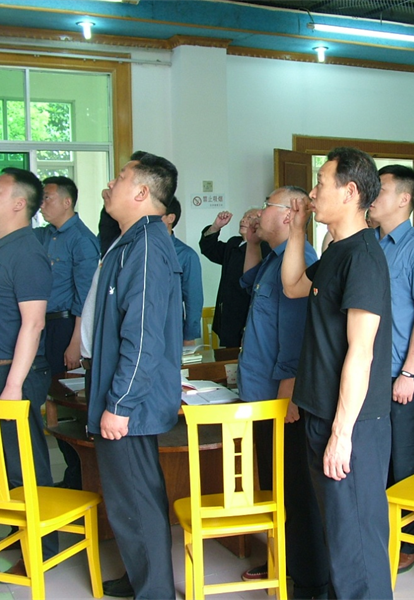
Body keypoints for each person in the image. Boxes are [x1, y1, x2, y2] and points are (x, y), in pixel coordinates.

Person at [282, 147, 393, 599]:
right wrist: (295, 232)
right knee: (338, 537)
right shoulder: (336, 252)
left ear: (349, 192)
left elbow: (361, 352)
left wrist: (342, 433)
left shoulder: (362, 257)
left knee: (357, 544)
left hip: (351, 423)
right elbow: (293, 286)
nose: (312, 193)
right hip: (321, 412)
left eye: (320, 183)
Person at [86, 151, 183, 599]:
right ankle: (143, 578)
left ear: (142, 192)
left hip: (131, 403)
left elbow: (142, 336)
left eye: (121, 177)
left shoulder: (145, 247)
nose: (112, 183)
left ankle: (154, 591)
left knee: (136, 500)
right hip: (125, 396)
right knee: (132, 498)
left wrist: (120, 404)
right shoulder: (131, 241)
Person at [237, 186, 329, 598]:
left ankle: (311, 580)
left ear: (290, 215)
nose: (259, 212)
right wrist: (252, 241)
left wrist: (288, 397)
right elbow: (246, 283)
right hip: (261, 395)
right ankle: (285, 561)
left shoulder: (299, 262)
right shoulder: (274, 259)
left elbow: (296, 336)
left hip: (282, 402)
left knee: (296, 490)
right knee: (278, 487)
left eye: (268, 206)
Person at [0, 165, 56, 575]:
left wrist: (14, 385)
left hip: (14, 374)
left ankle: (41, 549)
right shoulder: (0, 243)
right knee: (4, 461)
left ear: (20, 204)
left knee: (26, 462)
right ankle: (16, 533)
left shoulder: (28, 253)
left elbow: (34, 324)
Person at [368, 165, 414, 574]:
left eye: (381, 189)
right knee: (377, 458)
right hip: (370, 370)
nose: (373, 195)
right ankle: (384, 533)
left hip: (400, 373)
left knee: (406, 458)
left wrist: (409, 373)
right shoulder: (371, 243)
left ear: (404, 199)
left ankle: (412, 542)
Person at [36, 175, 100, 490]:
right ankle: (73, 477)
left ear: (67, 201)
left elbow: (85, 298)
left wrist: (76, 342)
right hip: (44, 325)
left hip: (66, 327)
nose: (41, 204)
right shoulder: (44, 235)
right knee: (52, 399)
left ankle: (80, 479)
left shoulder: (82, 240)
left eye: (46, 197)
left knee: (68, 404)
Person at [199, 209, 269, 348]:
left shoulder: (265, 248)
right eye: (243, 216)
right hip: (227, 318)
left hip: (248, 319)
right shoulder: (234, 244)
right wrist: (216, 226)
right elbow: (209, 248)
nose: (243, 220)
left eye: (249, 217)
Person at [163, 196, 204, 344]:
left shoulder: (186, 255)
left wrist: (189, 336)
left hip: (171, 331)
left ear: (170, 218)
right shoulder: (139, 249)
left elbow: (193, 299)